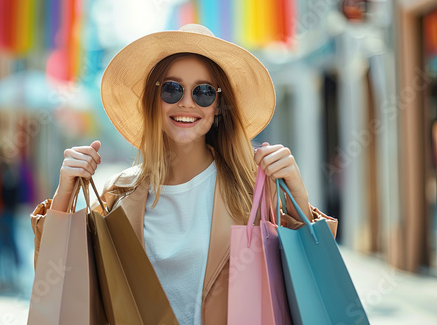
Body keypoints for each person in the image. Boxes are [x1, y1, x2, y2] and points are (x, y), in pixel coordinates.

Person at [30, 24, 337, 324]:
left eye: (203, 92)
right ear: (154, 99)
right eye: (172, 89)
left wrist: (298, 198)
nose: (187, 102)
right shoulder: (116, 196)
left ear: (218, 105)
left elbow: (310, 289)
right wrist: (63, 198)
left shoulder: (255, 193)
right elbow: (62, 289)